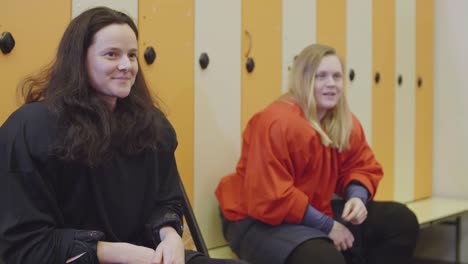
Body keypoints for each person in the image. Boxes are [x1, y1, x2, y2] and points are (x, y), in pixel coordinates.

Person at [0, 7, 245, 264]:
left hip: (151, 256)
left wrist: (170, 235)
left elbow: (166, 200)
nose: (126, 65)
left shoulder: (152, 126)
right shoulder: (29, 130)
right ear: (79, 59)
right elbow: (27, 245)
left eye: (132, 55)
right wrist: (116, 253)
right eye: (111, 55)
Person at [215, 44, 419, 264]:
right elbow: (272, 196)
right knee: (323, 259)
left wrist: (357, 198)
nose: (330, 83)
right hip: (256, 218)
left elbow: (360, 165)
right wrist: (329, 226)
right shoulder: (277, 122)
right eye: (320, 76)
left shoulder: (342, 122)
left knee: (400, 220)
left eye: (336, 76)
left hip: (310, 209)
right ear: (303, 80)